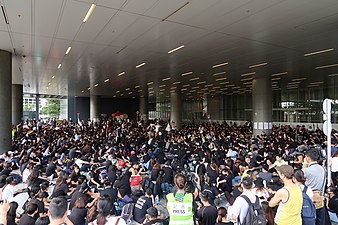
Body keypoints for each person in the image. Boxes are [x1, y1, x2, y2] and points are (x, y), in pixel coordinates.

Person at [303, 149, 326, 225]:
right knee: (320, 221)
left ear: (308, 158)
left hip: (308, 198)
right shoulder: (322, 169)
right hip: (319, 196)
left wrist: (303, 167)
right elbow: (324, 183)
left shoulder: (306, 170)